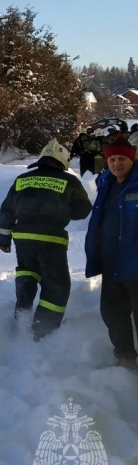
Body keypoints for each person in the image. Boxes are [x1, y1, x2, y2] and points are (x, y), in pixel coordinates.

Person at [0, 138, 92, 339]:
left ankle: (22, 312)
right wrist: (63, 212)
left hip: (22, 237)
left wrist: (3, 239)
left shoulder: (22, 179)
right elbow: (83, 210)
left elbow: (6, 210)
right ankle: (43, 329)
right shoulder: (70, 181)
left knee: (28, 272)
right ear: (63, 161)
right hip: (52, 239)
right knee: (56, 284)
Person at [84, 135, 138, 369]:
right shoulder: (105, 183)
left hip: (135, 262)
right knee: (113, 313)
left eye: (122, 159)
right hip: (111, 260)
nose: (117, 164)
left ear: (132, 159)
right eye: (112, 159)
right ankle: (124, 356)